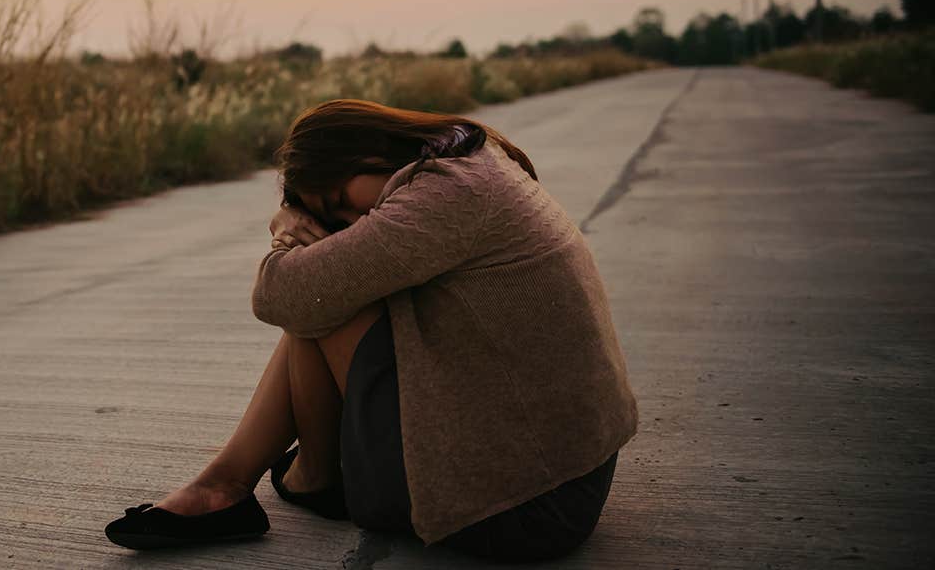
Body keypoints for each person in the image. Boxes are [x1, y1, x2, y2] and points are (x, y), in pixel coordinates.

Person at [105, 98, 639, 562]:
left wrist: (285, 235)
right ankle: (234, 484)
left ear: (368, 151)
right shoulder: (472, 163)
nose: (352, 219)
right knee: (327, 286)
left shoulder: (445, 197)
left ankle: (304, 478)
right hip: (556, 477)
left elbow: (277, 295)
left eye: (340, 203)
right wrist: (299, 218)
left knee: (319, 296)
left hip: (523, 508)